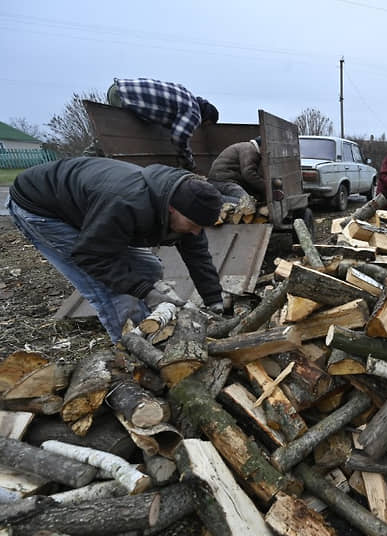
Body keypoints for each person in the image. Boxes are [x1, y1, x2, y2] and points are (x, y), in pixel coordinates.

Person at [7, 157, 225, 343]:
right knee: (111, 291)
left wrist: (214, 301)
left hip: (87, 207)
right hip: (40, 208)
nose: (197, 232)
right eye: (194, 225)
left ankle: (154, 323)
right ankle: (134, 347)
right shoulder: (126, 203)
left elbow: (198, 257)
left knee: (149, 268)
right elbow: (92, 257)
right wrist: (146, 293)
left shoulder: (187, 208)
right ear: (171, 208)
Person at [107, 78, 219, 172]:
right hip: (122, 96)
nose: (201, 127)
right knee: (115, 136)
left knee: (106, 135)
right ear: (207, 117)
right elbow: (179, 138)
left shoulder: (188, 96)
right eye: (206, 125)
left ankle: (89, 156)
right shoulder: (194, 112)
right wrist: (189, 165)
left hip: (119, 88)